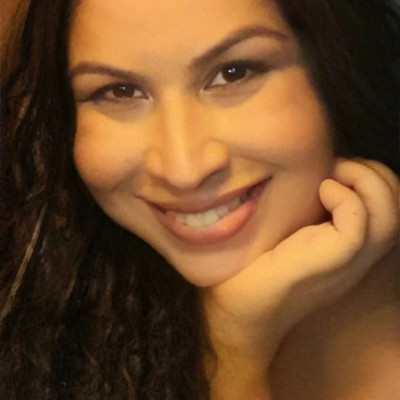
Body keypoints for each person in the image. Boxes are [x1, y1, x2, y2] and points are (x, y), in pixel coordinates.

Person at [0, 0, 399, 399]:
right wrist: (234, 346)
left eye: (233, 73)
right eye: (120, 91)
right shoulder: (67, 313)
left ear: (337, 73)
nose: (184, 170)